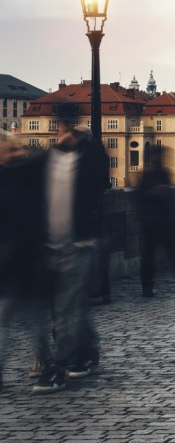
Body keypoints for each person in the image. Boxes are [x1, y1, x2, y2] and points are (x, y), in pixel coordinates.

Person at [29, 106, 110, 393]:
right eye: (60, 125)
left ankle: (58, 368)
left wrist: (90, 143)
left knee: (65, 309)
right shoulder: (48, 158)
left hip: (79, 243)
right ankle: (87, 352)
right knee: (66, 308)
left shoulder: (89, 158)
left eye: (68, 125)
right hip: (50, 243)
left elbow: (102, 180)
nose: (63, 130)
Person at [0, 131, 47, 393]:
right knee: (32, 320)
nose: (18, 153)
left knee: (24, 320)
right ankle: (44, 364)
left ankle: (44, 364)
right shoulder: (29, 177)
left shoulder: (22, 176)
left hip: (19, 259)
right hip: (22, 259)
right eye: (13, 149)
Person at [136, 146, 175, 297]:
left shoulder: (162, 173)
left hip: (162, 221)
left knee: (169, 254)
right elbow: (139, 198)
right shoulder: (146, 175)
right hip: (151, 222)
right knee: (150, 256)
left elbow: (171, 195)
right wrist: (155, 193)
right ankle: (148, 286)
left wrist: (165, 192)